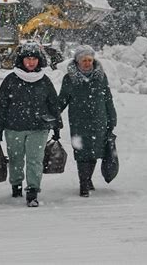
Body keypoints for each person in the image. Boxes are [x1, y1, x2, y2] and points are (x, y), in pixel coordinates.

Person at [0, 42, 62, 207]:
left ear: (39, 60)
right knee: (15, 159)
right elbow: (0, 105)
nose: (31, 62)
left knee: (35, 160)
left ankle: (33, 191)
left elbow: (53, 104)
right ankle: (16, 184)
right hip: (14, 127)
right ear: (21, 60)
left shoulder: (44, 81)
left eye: (34, 59)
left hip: (39, 128)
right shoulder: (10, 80)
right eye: (28, 59)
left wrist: (57, 126)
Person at [58, 45, 117, 197]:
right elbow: (63, 99)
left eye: (90, 60)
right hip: (78, 122)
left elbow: (107, 99)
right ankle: (83, 183)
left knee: (95, 151)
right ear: (77, 61)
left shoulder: (101, 77)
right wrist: (53, 113)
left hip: (99, 120)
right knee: (81, 152)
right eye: (84, 60)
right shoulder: (69, 79)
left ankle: (88, 178)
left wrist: (112, 118)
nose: (87, 63)